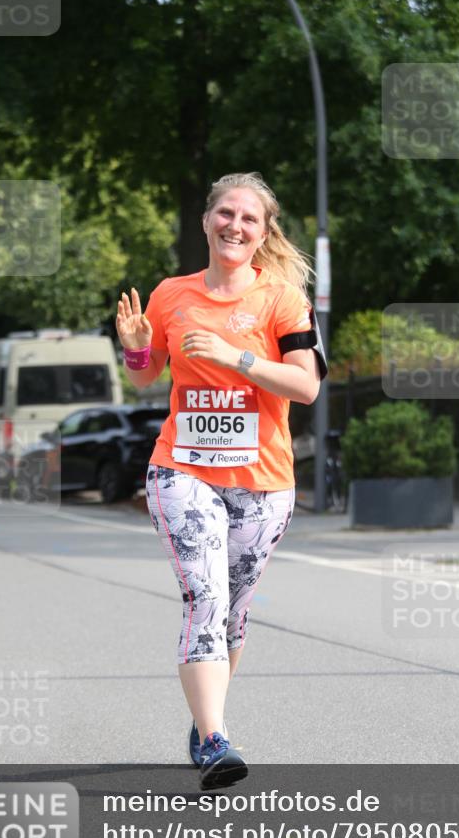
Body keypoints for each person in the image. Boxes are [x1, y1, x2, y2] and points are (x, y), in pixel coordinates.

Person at [116, 172, 327, 789]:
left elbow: (306, 386)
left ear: (263, 232)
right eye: (226, 213)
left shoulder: (283, 299)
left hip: (263, 480)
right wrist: (135, 348)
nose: (235, 225)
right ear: (207, 220)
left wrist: (236, 357)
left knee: (233, 614)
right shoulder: (170, 295)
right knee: (204, 598)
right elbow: (144, 377)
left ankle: (204, 717)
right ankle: (214, 740)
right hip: (182, 470)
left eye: (249, 218)